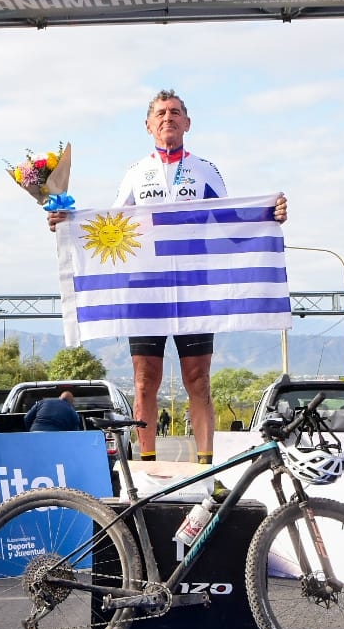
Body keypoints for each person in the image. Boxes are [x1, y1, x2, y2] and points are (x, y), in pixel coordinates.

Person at [50, 89, 287, 466]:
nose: (168, 118)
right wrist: (68, 224)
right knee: (145, 381)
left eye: (175, 112)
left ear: (187, 123)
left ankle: (206, 469)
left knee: (198, 379)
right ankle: (147, 470)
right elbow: (111, 229)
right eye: (160, 113)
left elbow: (231, 223)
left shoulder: (205, 170)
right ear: (148, 125)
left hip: (194, 288)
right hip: (146, 290)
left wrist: (267, 215)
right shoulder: (135, 172)